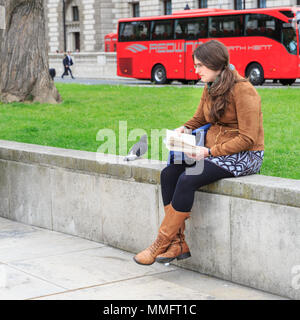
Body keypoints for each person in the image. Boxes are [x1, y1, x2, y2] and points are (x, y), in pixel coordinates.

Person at [133, 40, 264, 266]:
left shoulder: (244, 90)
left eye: (200, 66)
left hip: (245, 155)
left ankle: (160, 243)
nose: (196, 70)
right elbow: (200, 118)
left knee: (188, 178)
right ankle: (177, 243)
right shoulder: (210, 86)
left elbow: (248, 138)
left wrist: (210, 151)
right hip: (212, 151)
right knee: (169, 174)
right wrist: (185, 129)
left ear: (215, 64)